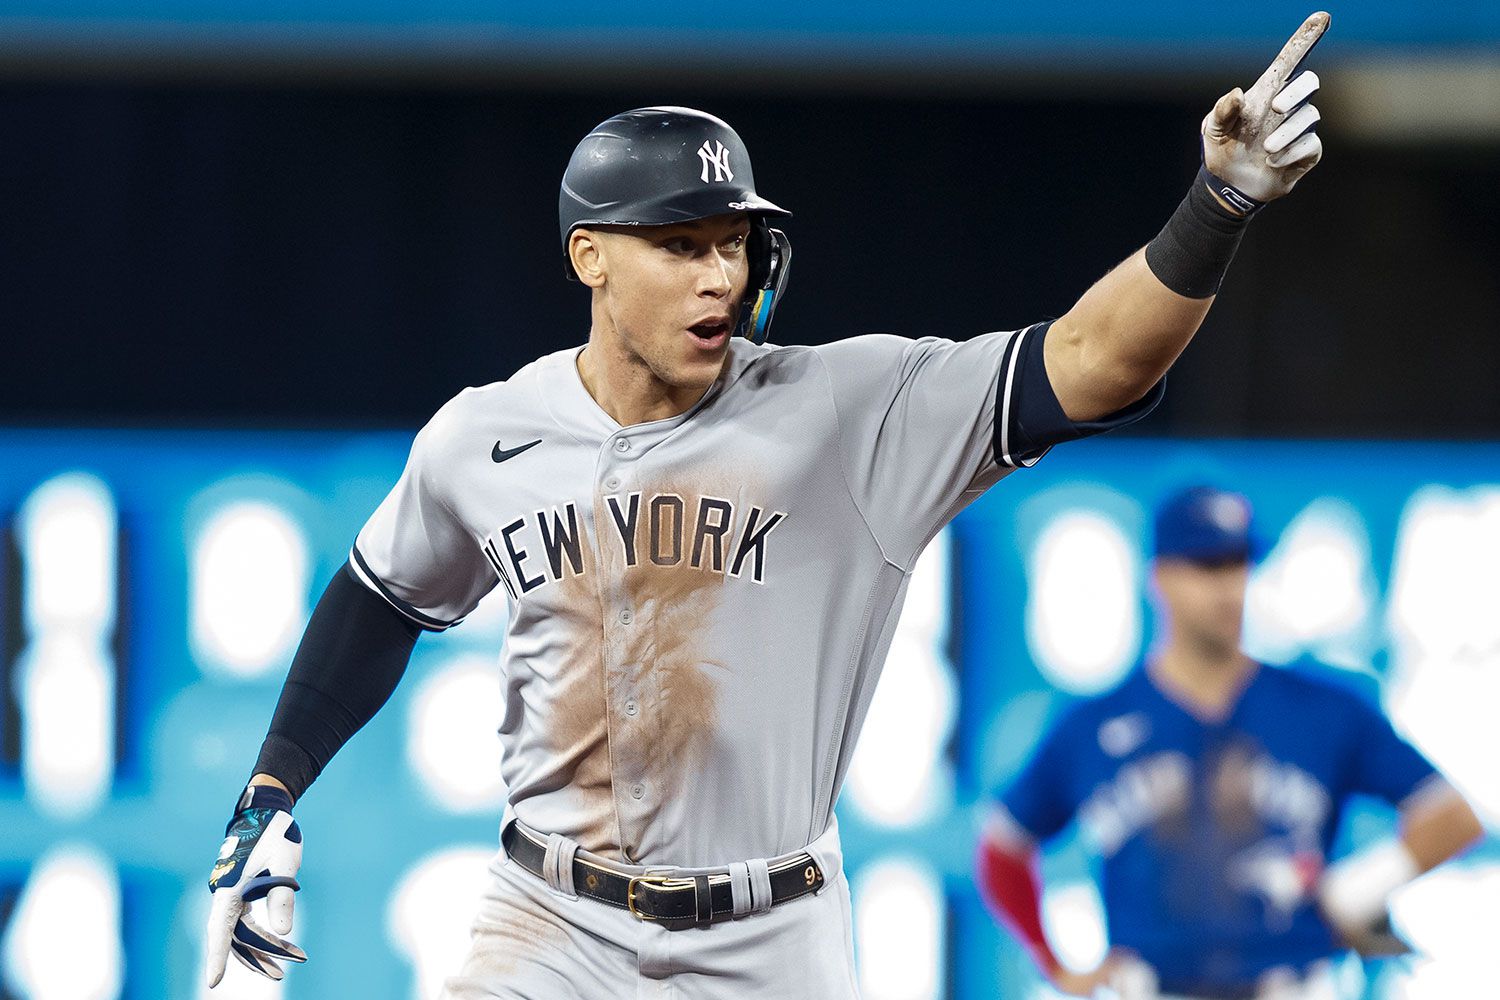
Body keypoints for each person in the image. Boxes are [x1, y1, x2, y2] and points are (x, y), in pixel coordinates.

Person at [205, 13, 1336, 996]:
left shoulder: (846, 410)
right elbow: (381, 593)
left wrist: (1219, 202)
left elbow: (1093, 362)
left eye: (734, 244)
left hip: (770, 934)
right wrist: (269, 789)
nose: (719, 277)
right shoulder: (484, 434)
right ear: (589, 257)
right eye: (681, 245)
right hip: (549, 917)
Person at [977, 484, 1486, 1000]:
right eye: (1206, 565)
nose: (1228, 587)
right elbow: (1003, 849)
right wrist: (1052, 962)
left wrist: (1353, 891)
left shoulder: (1320, 709)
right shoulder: (1095, 725)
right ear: (1161, 578)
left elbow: (1451, 817)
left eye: (1238, 563)